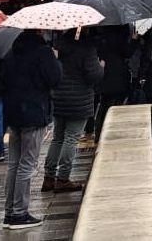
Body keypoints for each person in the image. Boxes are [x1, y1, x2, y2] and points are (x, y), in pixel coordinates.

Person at [2, 28, 62, 231]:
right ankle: (19, 213)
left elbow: (4, 80)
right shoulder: (43, 52)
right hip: (34, 112)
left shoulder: (11, 52)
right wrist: (55, 59)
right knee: (27, 164)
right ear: (39, 30)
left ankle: (9, 212)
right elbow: (55, 79)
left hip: (14, 113)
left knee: (14, 164)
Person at [44, 29, 103, 194]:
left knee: (57, 138)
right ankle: (63, 178)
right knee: (71, 138)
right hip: (79, 99)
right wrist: (101, 67)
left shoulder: (58, 46)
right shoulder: (87, 48)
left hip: (59, 97)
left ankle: (49, 177)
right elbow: (93, 75)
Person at [92, 27, 134, 141]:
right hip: (118, 76)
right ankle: (111, 131)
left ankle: (99, 132)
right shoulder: (121, 38)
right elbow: (128, 53)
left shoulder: (101, 37)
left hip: (104, 74)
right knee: (116, 106)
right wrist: (134, 41)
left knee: (104, 104)